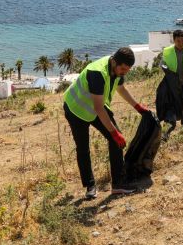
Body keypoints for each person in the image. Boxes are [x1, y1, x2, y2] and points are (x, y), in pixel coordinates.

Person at [63, 47, 149, 199]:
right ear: (114, 61)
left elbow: (120, 88)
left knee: (117, 142)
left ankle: (118, 185)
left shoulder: (117, 69)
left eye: (127, 70)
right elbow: (98, 108)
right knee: (83, 148)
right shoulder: (97, 73)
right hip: (76, 109)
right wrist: (114, 133)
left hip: (97, 107)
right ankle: (90, 186)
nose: (124, 73)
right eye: (122, 69)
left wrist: (137, 106)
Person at [156, 30, 183, 139]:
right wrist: (165, 68)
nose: (181, 43)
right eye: (178, 40)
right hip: (171, 86)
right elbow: (162, 64)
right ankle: (166, 133)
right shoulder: (167, 51)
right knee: (171, 107)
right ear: (174, 40)